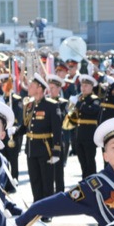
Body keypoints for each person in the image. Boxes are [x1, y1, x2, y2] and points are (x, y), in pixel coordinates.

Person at [21, 73, 64, 204]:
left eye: (32, 85)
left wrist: (56, 152)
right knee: (35, 181)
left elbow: (57, 130)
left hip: (45, 149)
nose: (29, 87)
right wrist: (14, 132)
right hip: (31, 149)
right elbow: (26, 126)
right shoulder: (30, 105)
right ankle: (37, 207)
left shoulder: (51, 106)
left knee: (47, 182)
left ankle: (48, 209)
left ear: (39, 88)